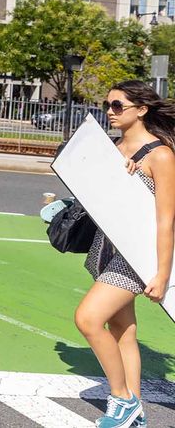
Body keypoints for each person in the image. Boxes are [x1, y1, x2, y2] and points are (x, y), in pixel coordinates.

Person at [73, 80, 175, 428]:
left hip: (138, 255)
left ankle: (122, 399)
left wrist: (161, 274)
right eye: (107, 104)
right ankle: (136, 414)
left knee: (87, 319)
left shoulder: (160, 155)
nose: (110, 112)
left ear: (141, 110)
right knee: (122, 330)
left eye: (118, 106)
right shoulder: (113, 149)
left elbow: (165, 221)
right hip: (109, 247)